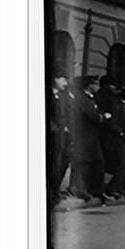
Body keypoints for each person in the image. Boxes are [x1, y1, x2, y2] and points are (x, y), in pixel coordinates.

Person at [71, 75, 110, 204]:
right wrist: (103, 117)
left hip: (92, 136)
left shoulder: (90, 99)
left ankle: (95, 190)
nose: (98, 87)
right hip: (84, 136)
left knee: (97, 163)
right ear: (89, 86)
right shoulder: (82, 99)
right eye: (96, 84)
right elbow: (91, 116)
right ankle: (81, 189)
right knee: (85, 163)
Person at [47, 71, 71, 205]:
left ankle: (54, 191)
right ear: (55, 79)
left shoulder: (63, 96)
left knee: (61, 164)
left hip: (62, 137)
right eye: (63, 80)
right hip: (52, 136)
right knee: (53, 165)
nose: (65, 83)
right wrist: (54, 128)